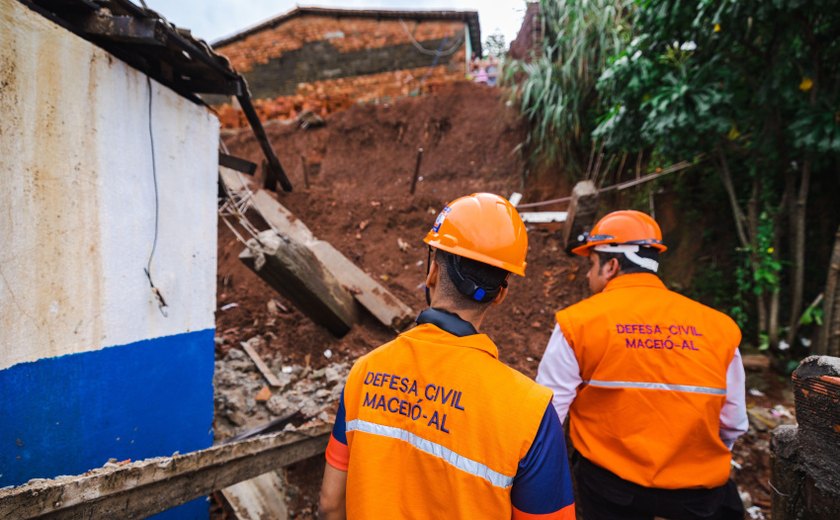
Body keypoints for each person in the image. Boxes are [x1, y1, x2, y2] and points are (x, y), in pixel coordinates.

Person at [319, 193, 576, 519]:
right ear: (501, 293)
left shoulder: (364, 373)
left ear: (432, 272)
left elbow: (330, 504)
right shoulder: (530, 412)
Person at [536, 210, 748, 520]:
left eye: (591, 264)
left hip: (611, 491)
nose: (587, 274)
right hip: (699, 497)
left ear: (612, 265)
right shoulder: (720, 328)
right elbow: (733, 423)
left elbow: (549, 414)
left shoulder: (577, 323)